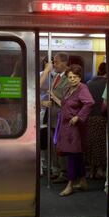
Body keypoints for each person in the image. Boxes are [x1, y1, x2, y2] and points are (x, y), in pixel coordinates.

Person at [50, 64, 94, 196]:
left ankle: (70, 184)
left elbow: (90, 102)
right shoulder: (68, 89)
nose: (72, 79)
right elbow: (66, 104)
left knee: (72, 155)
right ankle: (82, 181)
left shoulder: (82, 88)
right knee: (77, 155)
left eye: (75, 77)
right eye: (70, 77)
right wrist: (53, 98)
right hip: (66, 126)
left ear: (80, 78)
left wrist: (78, 117)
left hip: (74, 128)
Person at [40, 52, 70, 183]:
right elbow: (40, 87)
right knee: (54, 146)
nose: (54, 65)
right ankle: (56, 170)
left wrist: (54, 97)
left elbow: (66, 98)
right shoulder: (56, 76)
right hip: (52, 117)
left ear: (64, 63)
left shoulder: (69, 78)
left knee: (61, 146)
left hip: (61, 117)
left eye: (56, 62)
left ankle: (64, 172)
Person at [86, 62, 107, 179]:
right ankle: (100, 169)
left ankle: (91, 170)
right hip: (102, 118)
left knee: (92, 144)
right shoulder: (108, 84)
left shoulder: (89, 83)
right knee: (101, 145)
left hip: (90, 118)